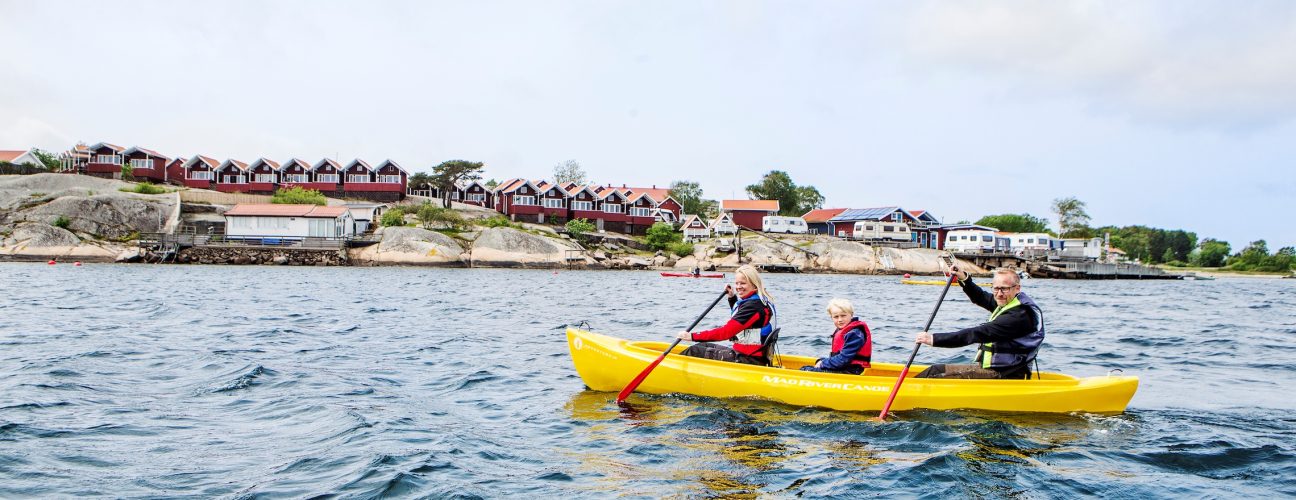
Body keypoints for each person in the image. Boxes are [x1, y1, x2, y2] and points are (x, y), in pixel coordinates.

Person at [913, 267, 1044, 379]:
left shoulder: (1018, 316)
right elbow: (980, 297)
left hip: (1004, 374)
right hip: (998, 370)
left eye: (1004, 289)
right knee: (935, 369)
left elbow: (976, 334)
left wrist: (934, 339)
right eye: (996, 288)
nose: (999, 294)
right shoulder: (1008, 303)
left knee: (934, 375)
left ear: (1017, 288)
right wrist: (963, 278)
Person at [677, 265, 777, 365]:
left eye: (743, 283)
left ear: (754, 284)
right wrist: (732, 297)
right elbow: (744, 319)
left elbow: (726, 332)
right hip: (753, 355)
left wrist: (692, 336)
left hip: (748, 359)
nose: (738, 287)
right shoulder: (760, 301)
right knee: (703, 345)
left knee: (694, 351)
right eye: (737, 283)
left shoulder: (753, 306)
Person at [800, 298, 871, 375]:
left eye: (843, 316)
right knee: (819, 360)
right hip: (844, 366)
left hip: (851, 371)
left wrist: (823, 364)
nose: (840, 319)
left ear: (851, 315)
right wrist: (822, 362)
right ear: (831, 317)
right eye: (836, 317)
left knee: (805, 369)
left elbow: (843, 360)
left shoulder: (855, 334)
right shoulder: (845, 330)